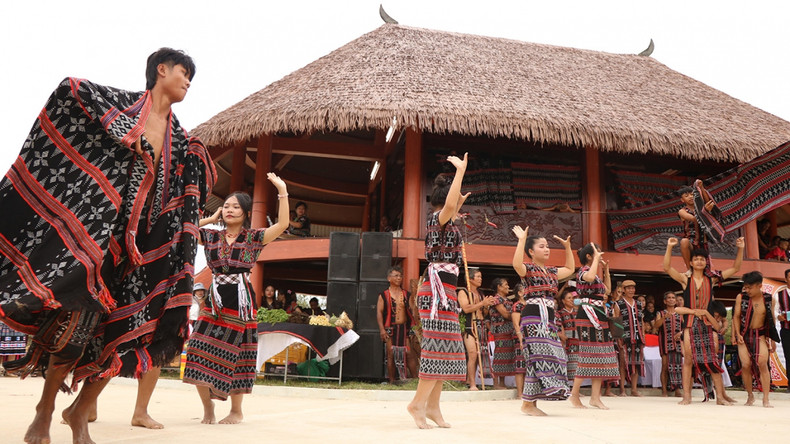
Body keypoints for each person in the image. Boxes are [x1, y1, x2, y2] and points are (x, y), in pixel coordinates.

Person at [0, 48, 215, 443]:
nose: (188, 82)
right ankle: (45, 411)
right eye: (185, 73)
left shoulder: (182, 141)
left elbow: (186, 194)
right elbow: (70, 90)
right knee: (74, 327)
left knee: (129, 335)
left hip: (146, 254)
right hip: (98, 241)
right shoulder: (120, 108)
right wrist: (121, 134)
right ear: (161, 70)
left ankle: (79, 410)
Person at [183, 181, 290, 425]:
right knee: (198, 350)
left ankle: (236, 411)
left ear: (246, 212)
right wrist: (210, 219)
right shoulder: (211, 236)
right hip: (215, 300)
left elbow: (283, 225)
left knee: (240, 353)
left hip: (242, 300)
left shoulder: (253, 238)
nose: (229, 210)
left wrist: (281, 190)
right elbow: (184, 226)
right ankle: (207, 408)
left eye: (235, 207)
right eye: (226, 206)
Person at [407, 153, 469, 429]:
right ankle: (417, 404)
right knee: (435, 349)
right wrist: (460, 172)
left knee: (444, 349)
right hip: (435, 292)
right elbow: (450, 206)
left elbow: (454, 206)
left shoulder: (448, 222)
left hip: (446, 290)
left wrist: (458, 200)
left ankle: (432, 406)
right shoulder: (438, 218)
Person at [663, 235, 744, 405]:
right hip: (690, 324)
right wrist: (670, 247)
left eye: (702, 259)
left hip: (707, 324)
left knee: (711, 360)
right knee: (689, 361)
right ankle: (687, 396)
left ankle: (720, 397)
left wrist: (741, 248)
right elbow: (667, 267)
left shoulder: (712, 280)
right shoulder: (686, 280)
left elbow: (736, 268)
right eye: (696, 259)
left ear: (706, 262)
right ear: (691, 263)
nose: (699, 261)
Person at [511, 227, 573, 415]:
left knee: (554, 357)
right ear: (531, 251)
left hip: (549, 318)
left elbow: (570, 269)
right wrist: (522, 240)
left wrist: (568, 248)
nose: (547, 249)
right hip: (533, 316)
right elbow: (516, 265)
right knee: (538, 357)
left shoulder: (553, 272)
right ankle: (528, 404)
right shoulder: (528, 269)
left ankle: (529, 403)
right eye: (542, 246)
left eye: (547, 246)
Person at [569, 243, 619, 409]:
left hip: (599, 313)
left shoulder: (594, 274)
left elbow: (607, 290)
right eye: (597, 253)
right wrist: (597, 260)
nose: (600, 255)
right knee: (587, 353)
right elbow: (589, 278)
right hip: (587, 314)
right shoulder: (583, 271)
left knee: (601, 354)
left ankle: (595, 398)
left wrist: (606, 271)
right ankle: (574, 395)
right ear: (589, 256)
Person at [732, 271, 779, 408]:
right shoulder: (741, 297)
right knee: (745, 365)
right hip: (744, 335)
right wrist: (736, 334)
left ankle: (765, 399)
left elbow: (771, 320)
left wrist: (773, 340)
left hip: (760, 335)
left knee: (762, 363)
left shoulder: (769, 299)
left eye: (749, 287)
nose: (747, 290)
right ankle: (750, 396)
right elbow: (735, 316)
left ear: (759, 286)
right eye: (745, 287)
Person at [457, 267, 496, 390]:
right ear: (470, 279)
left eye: (481, 276)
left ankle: (473, 381)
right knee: (473, 354)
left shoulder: (480, 293)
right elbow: (466, 309)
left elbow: (482, 313)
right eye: (478, 277)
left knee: (480, 355)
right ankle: (472, 384)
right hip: (470, 326)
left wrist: (486, 306)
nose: (480, 279)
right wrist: (482, 304)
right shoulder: (463, 292)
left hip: (481, 326)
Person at [376, 266, 417, 384]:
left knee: (409, 353)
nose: (399, 278)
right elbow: (379, 312)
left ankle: (415, 380)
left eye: (400, 276)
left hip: (404, 328)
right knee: (391, 354)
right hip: (390, 328)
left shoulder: (406, 294)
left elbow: (412, 311)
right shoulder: (383, 295)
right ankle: (392, 381)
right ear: (389, 278)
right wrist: (382, 330)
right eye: (396, 276)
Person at [677, 183, 716, 270]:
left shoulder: (701, 207)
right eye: (686, 196)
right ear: (682, 200)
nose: (690, 197)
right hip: (691, 243)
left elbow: (709, 201)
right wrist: (705, 211)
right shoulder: (682, 211)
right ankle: (688, 269)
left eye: (692, 194)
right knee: (684, 242)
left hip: (703, 243)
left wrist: (701, 187)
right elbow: (694, 219)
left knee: (706, 271)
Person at [616, 280, 645, 397]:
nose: (631, 290)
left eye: (633, 288)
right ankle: (622, 389)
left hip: (637, 337)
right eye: (628, 288)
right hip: (625, 337)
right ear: (623, 289)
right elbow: (616, 320)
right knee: (623, 363)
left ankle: (634, 389)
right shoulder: (618, 303)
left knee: (636, 363)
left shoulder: (638, 304)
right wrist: (618, 337)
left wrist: (643, 335)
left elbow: (641, 320)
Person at [653, 291, 683, 397]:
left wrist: (681, 333)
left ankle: (677, 390)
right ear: (665, 301)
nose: (671, 299)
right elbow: (656, 325)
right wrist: (664, 317)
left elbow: (686, 327)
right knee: (665, 366)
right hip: (665, 342)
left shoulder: (680, 313)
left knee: (678, 366)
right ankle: (664, 390)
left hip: (678, 343)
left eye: (673, 298)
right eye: (669, 298)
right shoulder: (660, 313)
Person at [489, 277, 516, 389]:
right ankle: (496, 383)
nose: (508, 287)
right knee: (499, 355)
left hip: (509, 331)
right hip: (500, 331)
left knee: (507, 356)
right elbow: (505, 314)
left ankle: (502, 382)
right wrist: (516, 315)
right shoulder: (496, 299)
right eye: (505, 284)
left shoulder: (508, 300)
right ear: (499, 287)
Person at [557, 288, 579, 385]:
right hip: (566, 341)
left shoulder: (577, 312)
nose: (571, 300)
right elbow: (558, 327)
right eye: (569, 298)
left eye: (572, 298)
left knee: (576, 365)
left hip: (577, 341)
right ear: (563, 300)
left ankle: (575, 389)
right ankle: (565, 386)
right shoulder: (560, 313)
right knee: (565, 363)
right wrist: (562, 337)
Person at [510, 282, 527, 398]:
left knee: (528, 365)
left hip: (530, 337)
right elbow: (516, 324)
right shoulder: (517, 306)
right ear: (520, 293)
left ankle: (526, 392)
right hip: (520, 338)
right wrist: (521, 339)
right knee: (520, 366)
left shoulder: (530, 304)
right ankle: (520, 393)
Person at [776, 268, 790, 393]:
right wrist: (778, 316)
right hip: (786, 330)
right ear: (786, 279)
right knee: (788, 357)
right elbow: (774, 311)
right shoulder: (780, 294)